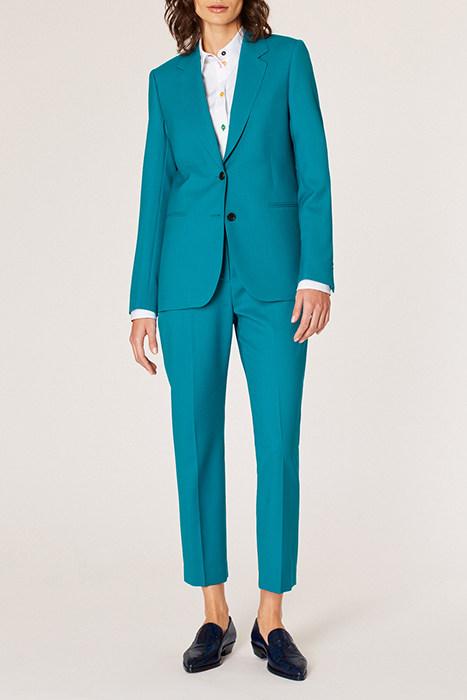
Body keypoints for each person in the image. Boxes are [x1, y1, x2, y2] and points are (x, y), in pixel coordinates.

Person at [128, 0, 334, 682]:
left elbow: (313, 170)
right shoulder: (165, 81)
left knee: (277, 441)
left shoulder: (288, 60)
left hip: (275, 277)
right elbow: (155, 191)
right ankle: (213, 612)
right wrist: (141, 300)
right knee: (196, 443)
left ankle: (271, 618)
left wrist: (316, 274)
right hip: (187, 282)